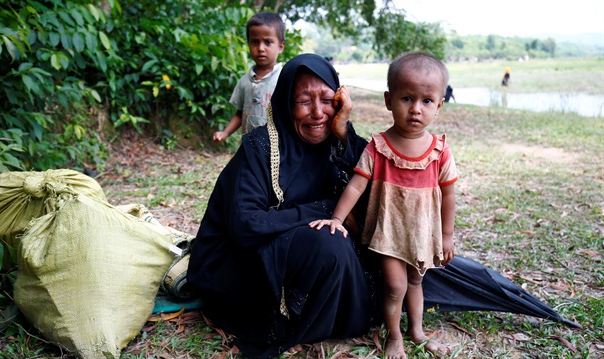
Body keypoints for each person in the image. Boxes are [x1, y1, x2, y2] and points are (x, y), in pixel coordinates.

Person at [187, 54, 381, 359]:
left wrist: (344, 131)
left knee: (404, 258)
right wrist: (327, 210)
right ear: (286, 104)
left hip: (296, 247)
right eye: (304, 101)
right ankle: (309, 322)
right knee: (331, 243)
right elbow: (246, 225)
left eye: (328, 100)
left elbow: (374, 203)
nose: (318, 113)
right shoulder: (260, 146)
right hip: (244, 259)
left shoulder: (339, 142)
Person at [310, 52, 458, 359]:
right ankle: (394, 336)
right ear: (389, 100)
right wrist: (337, 218)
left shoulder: (440, 151)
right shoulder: (378, 147)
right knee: (395, 285)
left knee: (416, 281)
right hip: (389, 232)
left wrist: (446, 236)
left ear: (440, 105)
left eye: (427, 101)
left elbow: (449, 196)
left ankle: (416, 330)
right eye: (406, 98)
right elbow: (356, 185)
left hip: (423, 233)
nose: (416, 109)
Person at [212, 12, 286, 143]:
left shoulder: (284, 78)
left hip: (276, 147)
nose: (260, 48)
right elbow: (240, 113)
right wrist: (225, 132)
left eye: (268, 42)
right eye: (255, 42)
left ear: (280, 47)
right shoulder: (245, 81)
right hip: (249, 146)